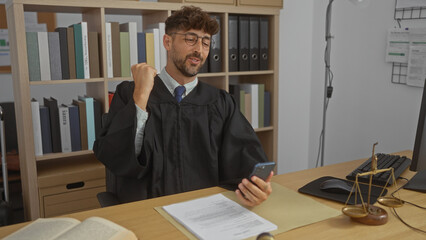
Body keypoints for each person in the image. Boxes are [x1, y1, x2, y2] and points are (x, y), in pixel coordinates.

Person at [93, 6, 273, 207]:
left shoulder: (220, 102)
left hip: (204, 210)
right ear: (167, 42)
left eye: (206, 42)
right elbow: (115, 155)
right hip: (148, 210)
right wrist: (142, 94)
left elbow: (246, 158)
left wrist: (257, 187)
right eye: (191, 39)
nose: (199, 49)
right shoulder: (130, 93)